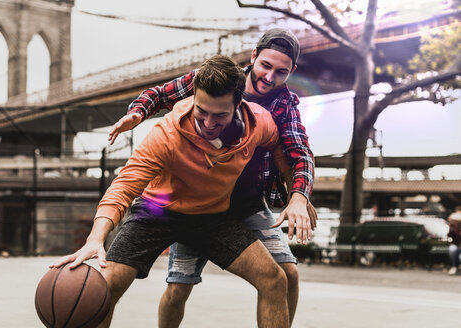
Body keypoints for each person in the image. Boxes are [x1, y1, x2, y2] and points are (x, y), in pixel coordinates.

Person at [51, 55, 302, 328]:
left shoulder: (258, 123)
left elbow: (279, 147)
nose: (208, 124)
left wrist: (296, 195)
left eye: (219, 116)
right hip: (157, 212)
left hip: (212, 218)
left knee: (275, 280)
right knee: (106, 287)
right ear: (194, 97)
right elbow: (123, 187)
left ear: (239, 105)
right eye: (201, 112)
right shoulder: (167, 134)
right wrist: (95, 238)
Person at [108, 28, 316, 326]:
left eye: (281, 72)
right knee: (179, 288)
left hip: (245, 203)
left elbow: (298, 152)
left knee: (286, 275)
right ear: (253, 57)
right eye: (265, 66)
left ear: (292, 71)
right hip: (195, 199)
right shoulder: (217, 81)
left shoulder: (284, 106)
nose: (270, 77)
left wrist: (298, 196)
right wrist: (138, 113)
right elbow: (157, 95)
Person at [447, 206, 461, 275]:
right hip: (457, 245)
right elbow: (450, 235)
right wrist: (451, 225)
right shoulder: (454, 226)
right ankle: (454, 266)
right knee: (452, 249)